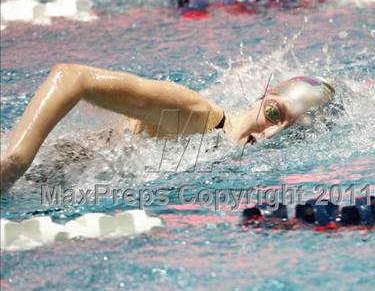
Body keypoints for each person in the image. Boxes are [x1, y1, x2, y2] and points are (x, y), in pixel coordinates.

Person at [0, 64, 335, 192]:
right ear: (264, 96)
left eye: (288, 131)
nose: (270, 134)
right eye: (275, 115)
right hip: (32, 173)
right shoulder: (200, 116)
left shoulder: (219, 157)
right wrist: (16, 160)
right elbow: (72, 76)